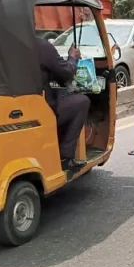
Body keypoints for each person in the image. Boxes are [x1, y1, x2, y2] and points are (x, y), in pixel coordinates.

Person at [35, 38, 91, 170]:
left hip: (13, 104)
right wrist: (72, 57)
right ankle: (65, 155)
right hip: (42, 108)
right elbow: (66, 73)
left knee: (61, 95)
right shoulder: (40, 45)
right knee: (82, 101)